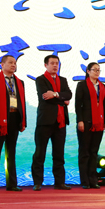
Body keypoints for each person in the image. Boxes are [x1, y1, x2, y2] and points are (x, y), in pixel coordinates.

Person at [0, 55, 26, 192]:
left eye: (15, 63)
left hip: (14, 118)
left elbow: (22, 103)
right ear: (2, 64)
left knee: (11, 153)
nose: (13, 65)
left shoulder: (19, 82)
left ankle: (12, 183)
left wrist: (23, 121)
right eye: (10, 62)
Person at [31, 55, 73, 191]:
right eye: (52, 63)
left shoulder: (63, 80)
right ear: (46, 65)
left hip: (60, 121)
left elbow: (69, 95)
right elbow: (45, 97)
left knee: (59, 154)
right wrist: (62, 98)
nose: (55, 65)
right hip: (45, 120)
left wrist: (55, 94)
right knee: (40, 153)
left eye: (57, 63)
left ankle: (60, 182)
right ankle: (38, 182)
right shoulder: (40, 79)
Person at [75, 62, 105, 189]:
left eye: (98, 70)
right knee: (84, 152)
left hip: (99, 123)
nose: (97, 72)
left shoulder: (102, 86)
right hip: (86, 122)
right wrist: (80, 120)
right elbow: (78, 104)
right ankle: (84, 181)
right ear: (88, 71)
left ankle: (93, 180)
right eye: (94, 70)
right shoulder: (82, 85)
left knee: (94, 152)